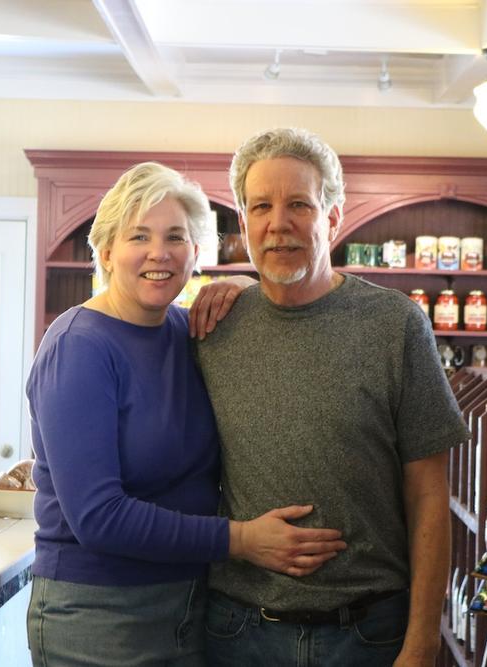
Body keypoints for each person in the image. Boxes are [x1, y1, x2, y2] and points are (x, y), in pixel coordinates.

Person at [25, 161, 347, 667]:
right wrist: (242, 540)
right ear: (106, 252)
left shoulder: (187, 331)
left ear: (196, 252)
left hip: (192, 603)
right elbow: (98, 517)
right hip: (98, 614)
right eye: (139, 236)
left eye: (175, 237)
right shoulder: (78, 346)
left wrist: (244, 284)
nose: (160, 252)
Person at [190, 128, 469, 667]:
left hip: (369, 634)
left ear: (334, 217)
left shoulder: (395, 324)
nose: (278, 223)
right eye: (261, 206)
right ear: (243, 223)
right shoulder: (213, 327)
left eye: (299, 204)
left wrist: (422, 641)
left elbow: (429, 495)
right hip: (239, 633)